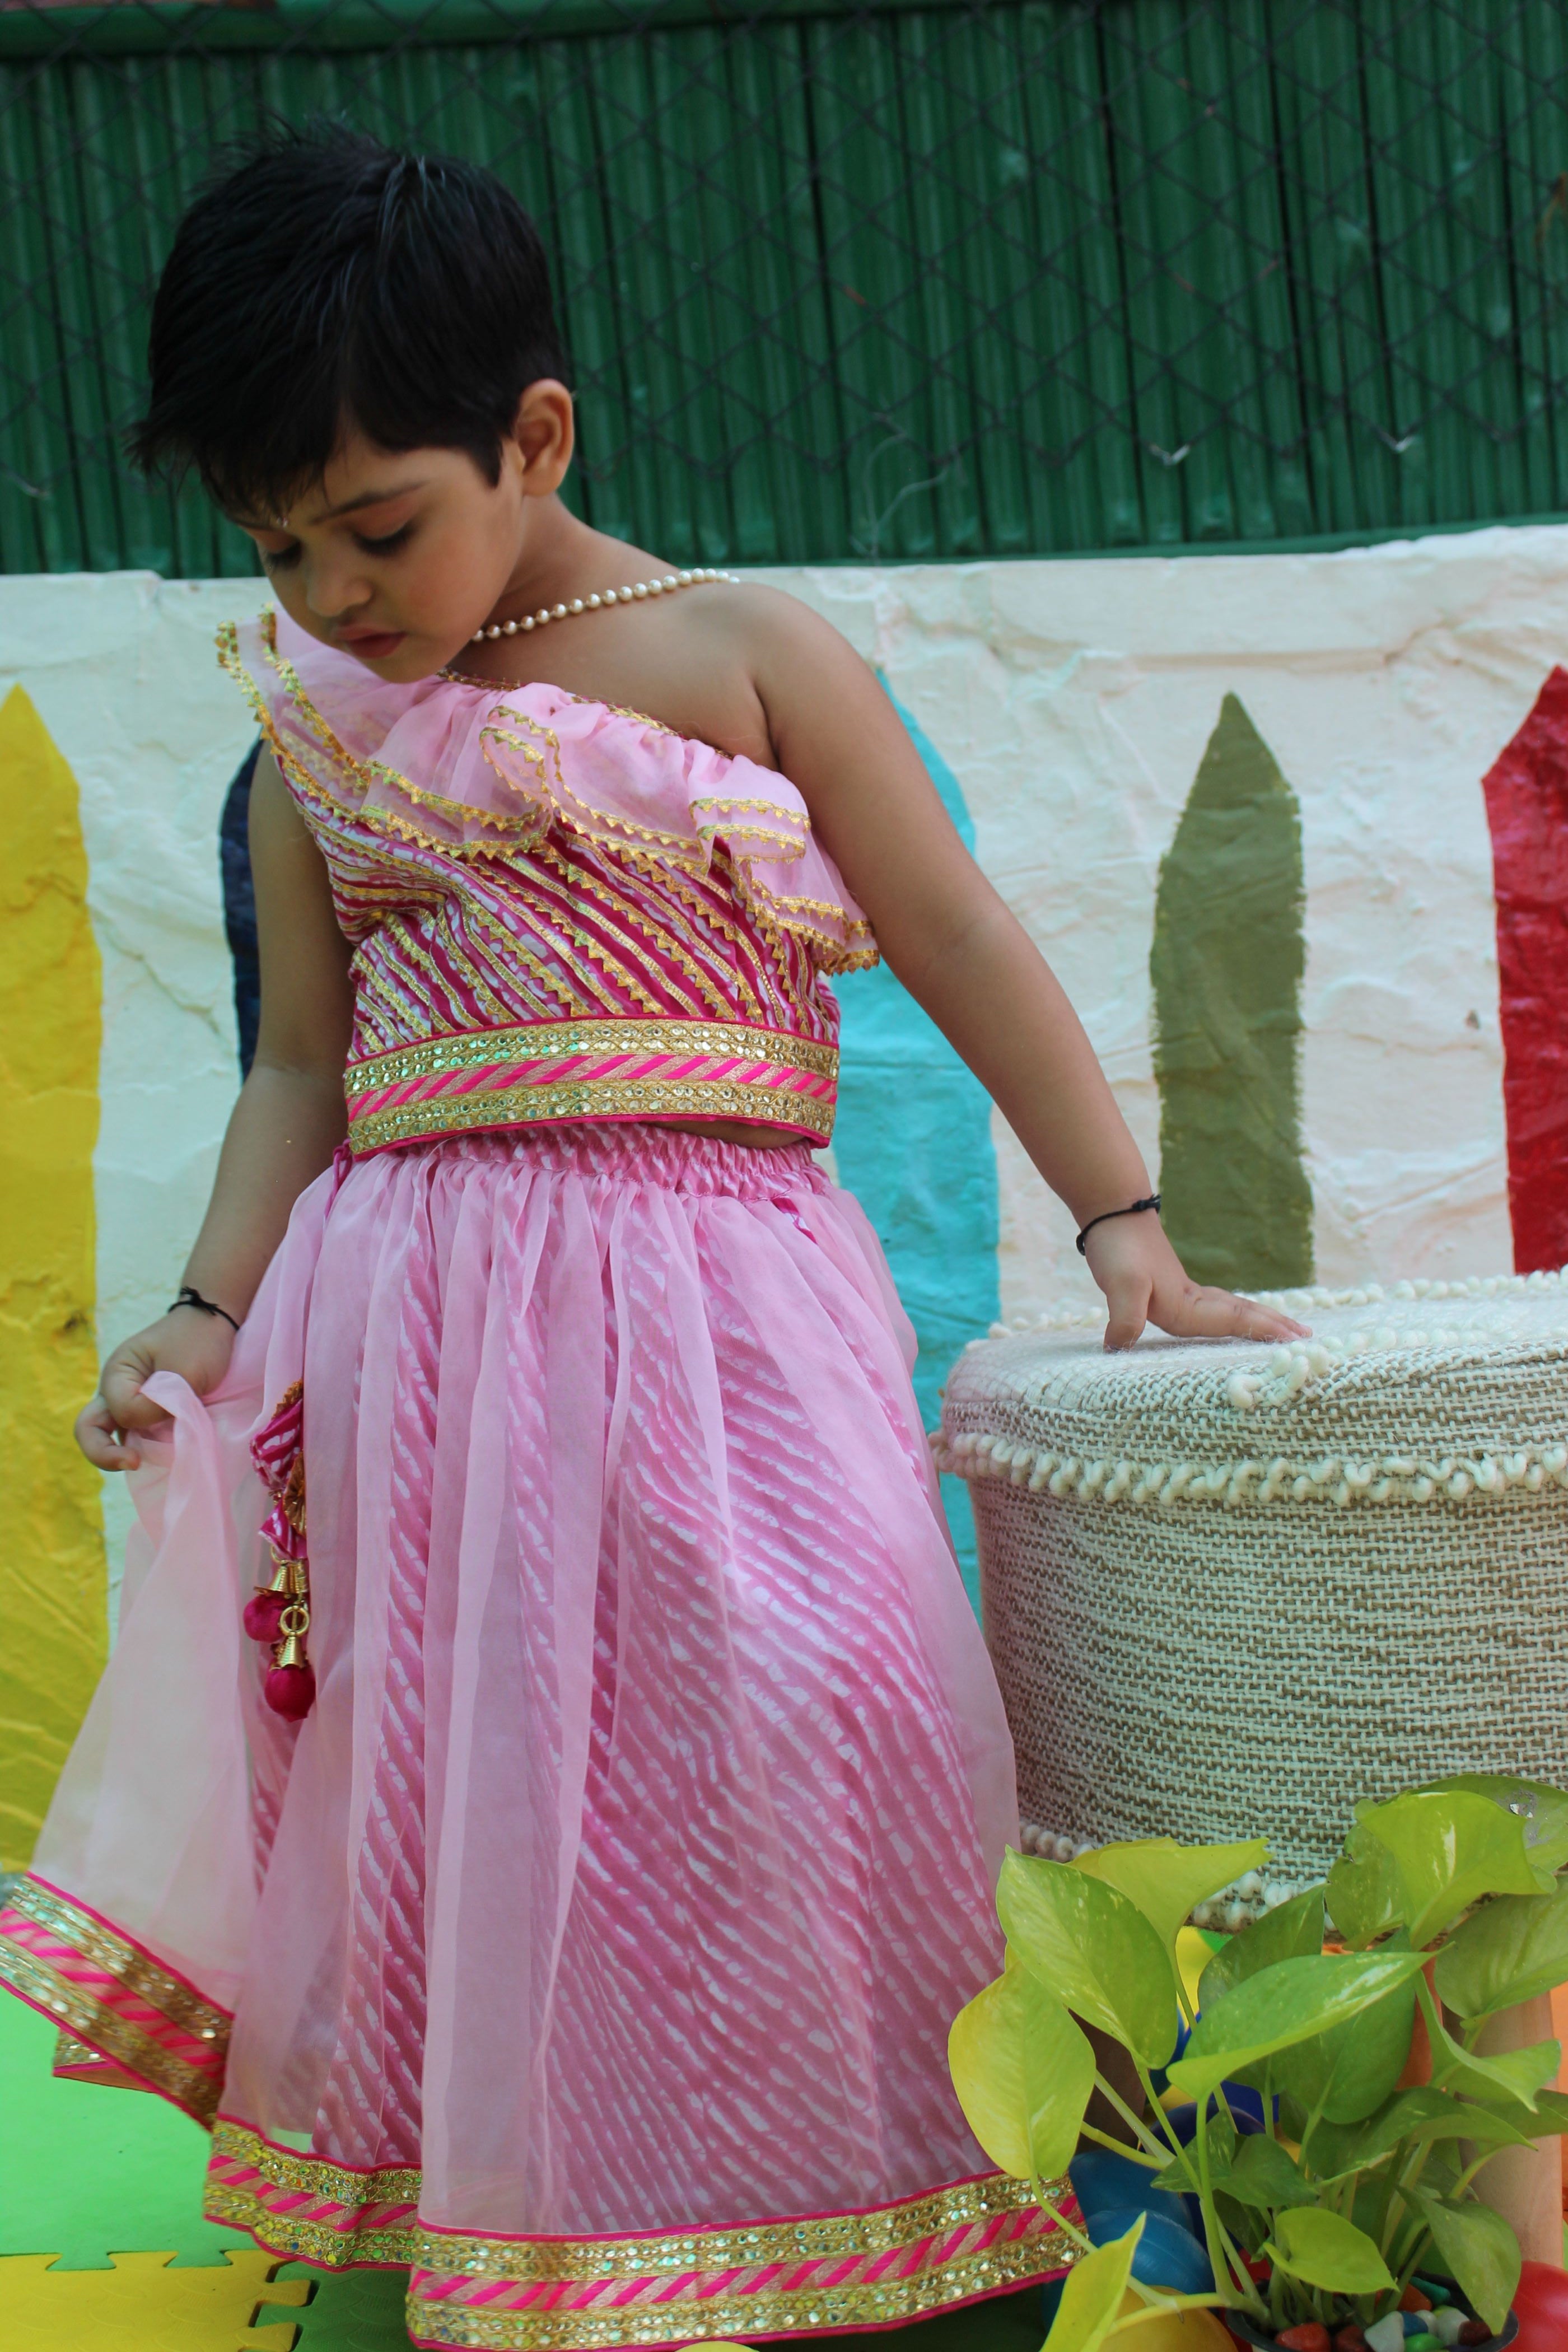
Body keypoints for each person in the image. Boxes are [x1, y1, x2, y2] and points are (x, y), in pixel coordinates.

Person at [0, 128, 1303, 2352]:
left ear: (535, 434)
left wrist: (1128, 1219)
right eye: (272, 546)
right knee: (465, 1753)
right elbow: (298, 1071)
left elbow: (954, 922)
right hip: (425, 1338)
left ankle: (844, 2188)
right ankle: (503, 2209)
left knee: (812, 1700)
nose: (330, 593)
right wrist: (212, 1313)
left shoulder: (737, 652)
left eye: (375, 525)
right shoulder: (317, 740)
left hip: (724, 1313)